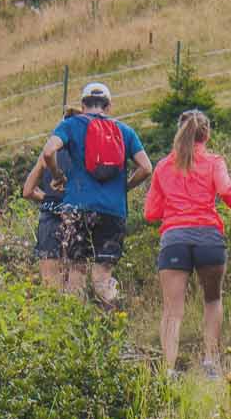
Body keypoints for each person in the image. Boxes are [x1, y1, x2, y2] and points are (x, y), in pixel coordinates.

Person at [142, 109, 231, 380]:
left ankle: (168, 369)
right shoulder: (214, 161)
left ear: (179, 132)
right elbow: (226, 190)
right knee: (212, 300)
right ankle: (211, 362)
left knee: (172, 310)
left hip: (174, 239)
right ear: (207, 134)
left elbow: (150, 213)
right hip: (209, 238)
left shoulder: (164, 166)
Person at [38, 82, 152, 308]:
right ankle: (115, 323)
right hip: (113, 212)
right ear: (108, 106)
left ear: (83, 105)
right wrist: (124, 187)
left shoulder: (71, 125)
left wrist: (57, 174)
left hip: (77, 210)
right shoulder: (125, 131)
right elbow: (146, 168)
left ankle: (75, 331)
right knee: (103, 278)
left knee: (76, 272)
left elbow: (49, 151)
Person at [22, 106, 80, 292]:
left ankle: (52, 317)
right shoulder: (84, 154)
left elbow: (28, 191)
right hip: (78, 217)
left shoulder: (47, 155)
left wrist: (48, 198)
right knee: (76, 281)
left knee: (50, 282)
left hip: (49, 218)